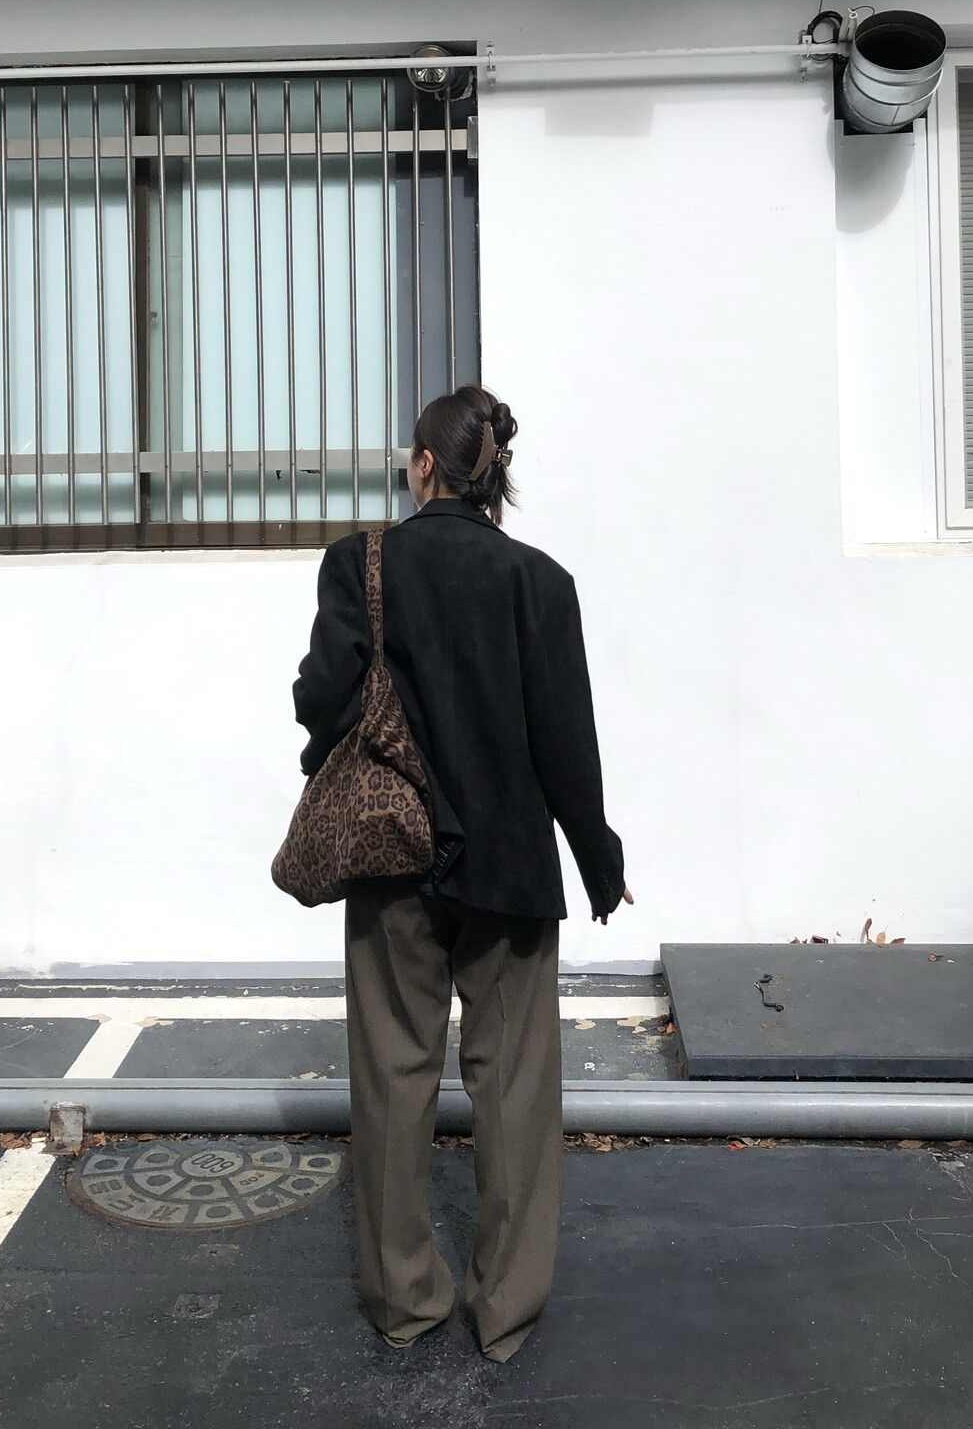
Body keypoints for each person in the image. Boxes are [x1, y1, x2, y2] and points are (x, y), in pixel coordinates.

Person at [292, 384, 632, 1362]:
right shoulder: (540, 581)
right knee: (514, 1087)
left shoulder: (360, 564)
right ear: (493, 474)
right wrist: (598, 858)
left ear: (425, 465)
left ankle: (404, 1299)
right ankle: (505, 1308)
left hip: (392, 855)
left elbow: (320, 699)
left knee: (393, 1077)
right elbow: (566, 741)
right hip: (511, 866)